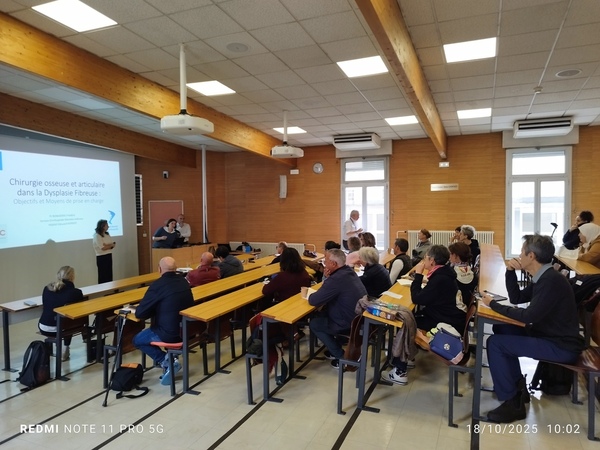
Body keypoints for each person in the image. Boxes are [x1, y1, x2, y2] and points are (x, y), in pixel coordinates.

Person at [481, 234, 584, 423]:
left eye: (522, 251)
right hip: (547, 335)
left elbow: (529, 316)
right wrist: (510, 272)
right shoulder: (544, 276)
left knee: (495, 343)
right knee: (502, 329)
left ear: (531, 256)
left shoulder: (550, 281)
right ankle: (518, 388)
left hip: (560, 345)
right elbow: (517, 298)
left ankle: (512, 404)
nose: (519, 255)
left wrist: (493, 305)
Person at [384, 245, 466, 386]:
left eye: (426, 258)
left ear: (432, 261)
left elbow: (417, 298)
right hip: (445, 315)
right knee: (412, 317)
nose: (424, 261)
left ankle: (400, 371)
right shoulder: (444, 273)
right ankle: (407, 356)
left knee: (407, 322)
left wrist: (418, 275)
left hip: (445, 321)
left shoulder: (440, 278)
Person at [133, 257, 194, 386]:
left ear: (159, 269)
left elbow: (140, 313)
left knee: (137, 340)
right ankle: (172, 358)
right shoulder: (183, 281)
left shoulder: (157, 285)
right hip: (187, 329)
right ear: (176, 269)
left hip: (169, 333)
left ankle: (167, 361)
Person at [308, 249, 367, 369]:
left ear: (333, 264)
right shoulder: (349, 272)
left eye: (326, 261)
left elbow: (314, 300)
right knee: (320, 315)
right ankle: (334, 348)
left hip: (348, 323)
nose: (324, 263)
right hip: (358, 318)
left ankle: (342, 358)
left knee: (315, 324)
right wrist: (327, 278)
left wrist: (326, 279)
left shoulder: (336, 279)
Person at [38, 266, 84, 361]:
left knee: (65, 320)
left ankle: (59, 350)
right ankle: (66, 348)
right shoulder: (76, 293)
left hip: (43, 326)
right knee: (70, 319)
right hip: (60, 329)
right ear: (72, 277)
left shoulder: (47, 289)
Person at [448, 242, 478, 308]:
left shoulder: (451, 274)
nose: (449, 256)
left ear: (456, 256)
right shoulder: (472, 273)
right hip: (465, 306)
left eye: (450, 254)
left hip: (454, 307)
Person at [92, 219, 115, 283]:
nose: (108, 226)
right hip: (101, 257)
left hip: (108, 255)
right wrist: (109, 246)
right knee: (103, 275)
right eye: (107, 225)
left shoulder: (107, 234)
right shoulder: (97, 236)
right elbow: (102, 247)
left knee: (109, 274)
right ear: (102, 226)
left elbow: (112, 244)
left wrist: (108, 245)